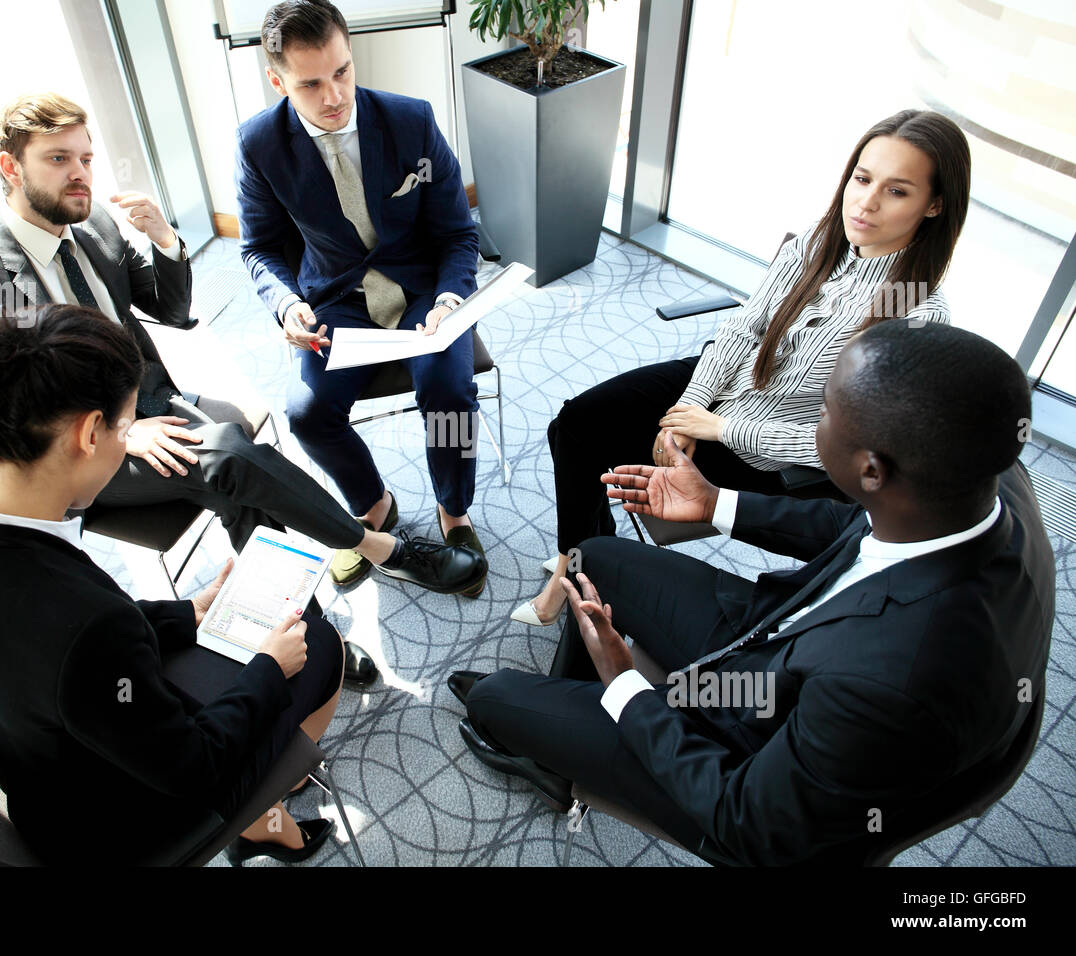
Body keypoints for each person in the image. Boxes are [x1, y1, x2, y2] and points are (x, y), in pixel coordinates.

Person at [0, 94, 487, 686]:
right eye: (59, 159)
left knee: (236, 482)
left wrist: (166, 239)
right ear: (10, 168)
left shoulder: (90, 222)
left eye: (87, 158)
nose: (80, 174)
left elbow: (171, 308)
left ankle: (306, 638)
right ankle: (379, 549)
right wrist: (118, 430)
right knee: (227, 452)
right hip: (67, 459)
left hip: (152, 411)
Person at [450, 320, 1054, 866]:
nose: (810, 422)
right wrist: (717, 505)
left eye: (822, 414)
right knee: (596, 558)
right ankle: (569, 731)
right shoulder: (978, 478)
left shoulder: (893, 684)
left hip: (750, 746)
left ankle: (560, 737)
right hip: (778, 635)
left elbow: (749, 823)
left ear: (871, 468)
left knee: (495, 700)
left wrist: (627, 686)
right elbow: (859, 525)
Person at [0, 305, 346, 865]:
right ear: (90, 433)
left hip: (45, 765)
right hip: (124, 823)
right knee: (321, 647)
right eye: (124, 426)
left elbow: (64, 642)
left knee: (233, 654)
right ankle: (264, 810)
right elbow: (193, 766)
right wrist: (269, 664)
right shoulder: (87, 625)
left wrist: (186, 612)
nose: (127, 442)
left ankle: (267, 810)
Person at [512, 109, 971, 626]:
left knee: (590, 441)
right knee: (576, 423)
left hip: (764, 451)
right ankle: (585, 560)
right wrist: (693, 402)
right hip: (725, 389)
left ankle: (578, 569)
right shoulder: (819, 244)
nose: (865, 202)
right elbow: (746, 328)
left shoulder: (917, 317)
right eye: (863, 179)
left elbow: (848, 449)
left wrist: (720, 427)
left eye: (897, 191)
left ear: (934, 205)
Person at [235, 0, 488, 594]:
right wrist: (285, 304)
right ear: (278, 80)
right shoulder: (259, 145)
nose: (333, 95)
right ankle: (374, 507)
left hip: (426, 291)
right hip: (338, 299)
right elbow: (260, 248)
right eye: (311, 83)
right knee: (306, 414)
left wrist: (451, 299)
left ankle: (454, 510)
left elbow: (457, 233)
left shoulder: (411, 121)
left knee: (448, 390)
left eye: (342, 71)